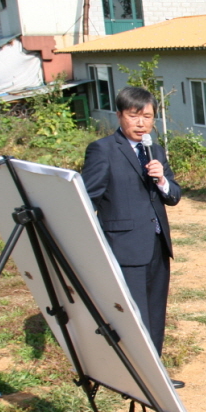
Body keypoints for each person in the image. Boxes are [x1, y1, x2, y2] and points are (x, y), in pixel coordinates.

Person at [81, 87, 181, 360]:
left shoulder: (155, 149)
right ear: (119, 116)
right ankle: (135, 374)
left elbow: (174, 196)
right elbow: (86, 200)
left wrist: (162, 180)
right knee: (133, 317)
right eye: (134, 116)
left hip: (157, 246)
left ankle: (156, 375)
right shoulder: (102, 150)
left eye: (147, 117)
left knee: (156, 312)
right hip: (124, 247)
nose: (141, 123)